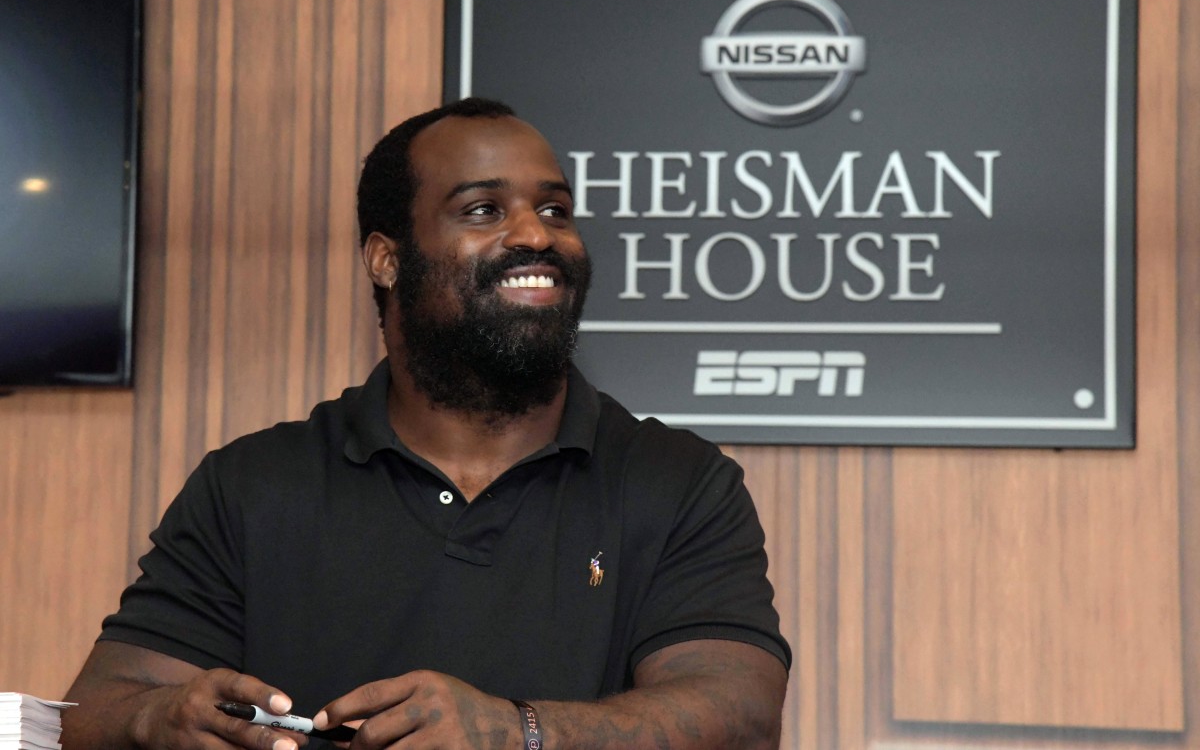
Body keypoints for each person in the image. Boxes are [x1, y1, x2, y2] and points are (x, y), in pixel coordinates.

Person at [62, 98, 791, 750]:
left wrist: (519, 733)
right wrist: (164, 718)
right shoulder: (253, 484)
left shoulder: (679, 481)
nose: (537, 234)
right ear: (386, 259)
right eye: (483, 209)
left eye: (556, 209)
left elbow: (740, 714)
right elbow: (91, 709)